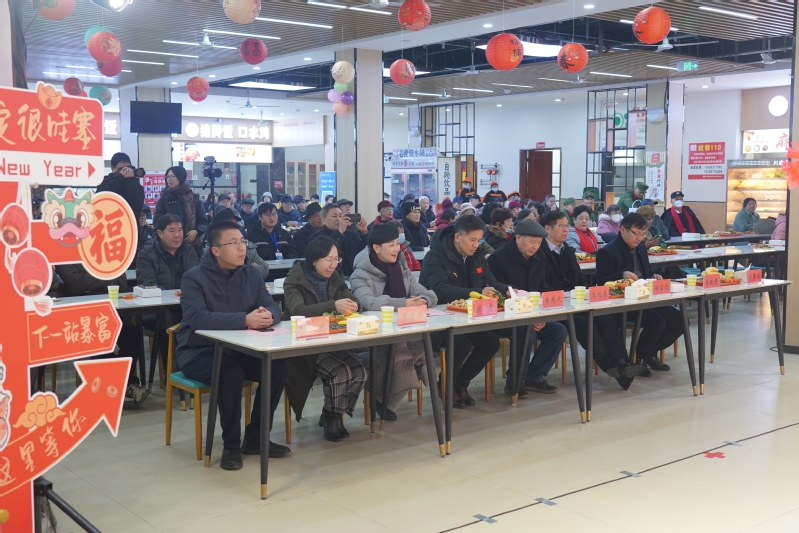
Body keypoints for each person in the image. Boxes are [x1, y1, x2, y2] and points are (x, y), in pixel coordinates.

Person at [177, 221, 289, 469]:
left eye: (243, 242)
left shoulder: (251, 273)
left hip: (241, 349)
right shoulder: (194, 277)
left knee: (276, 367)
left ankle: (256, 438)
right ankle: (231, 445)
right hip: (199, 351)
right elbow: (196, 318)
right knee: (229, 372)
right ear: (215, 250)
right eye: (234, 243)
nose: (242, 248)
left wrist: (267, 316)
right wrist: (245, 320)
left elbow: (272, 306)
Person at [539, 211, 644, 389]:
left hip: (575, 302)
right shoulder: (539, 251)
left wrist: (582, 292)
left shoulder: (566, 250)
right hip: (554, 306)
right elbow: (541, 284)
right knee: (584, 325)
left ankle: (622, 363)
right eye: (561, 226)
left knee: (606, 319)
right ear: (547, 228)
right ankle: (612, 367)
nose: (566, 230)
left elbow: (579, 278)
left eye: (567, 226)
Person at [420, 215, 509, 408]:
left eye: (479, 240)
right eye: (472, 240)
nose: (476, 245)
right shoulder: (435, 257)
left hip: (467, 318)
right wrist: (477, 292)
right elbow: (440, 290)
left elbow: (490, 281)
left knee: (490, 343)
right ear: (457, 236)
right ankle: (446, 386)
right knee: (460, 343)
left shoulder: (477, 256)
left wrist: (507, 290)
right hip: (437, 320)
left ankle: (459, 383)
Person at [283, 237, 366, 442]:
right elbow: (298, 311)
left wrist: (355, 305)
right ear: (314, 260)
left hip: (334, 340)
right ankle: (333, 419)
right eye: (328, 259)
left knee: (360, 371)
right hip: (305, 345)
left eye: (336, 259)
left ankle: (330, 413)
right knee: (340, 372)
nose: (333, 265)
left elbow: (352, 299)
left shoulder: (336, 277)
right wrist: (333, 305)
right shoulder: (295, 279)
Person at [350, 224, 437, 419]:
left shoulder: (402, 267)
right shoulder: (360, 274)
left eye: (398, 244)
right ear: (376, 248)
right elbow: (369, 302)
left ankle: (386, 403)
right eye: (391, 245)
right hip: (374, 336)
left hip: (404, 331)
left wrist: (424, 300)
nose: (396, 249)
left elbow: (426, 293)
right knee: (402, 353)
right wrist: (403, 303)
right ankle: (384, 403)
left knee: (422, 350)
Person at [487, 219, 567, 396]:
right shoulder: (498, 258)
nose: (535, 247)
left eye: (538, 243)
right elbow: (497, 293)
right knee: (526, 332)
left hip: (531, 313)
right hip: (506, 315)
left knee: (558, 331)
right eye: (532, 242)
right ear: (518, 238)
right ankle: (515, 383)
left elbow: (541, 288)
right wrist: (529, 317)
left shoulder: (540, 257)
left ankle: (534, 377)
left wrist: (541, 315)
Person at [596, 214, 683, 375]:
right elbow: (601, 281)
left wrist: (653, 276)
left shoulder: (641, 248)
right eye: (636, 233)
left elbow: (646, 272)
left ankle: (649, 352)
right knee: (656, 322)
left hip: (645, 297)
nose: (639, 238)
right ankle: (639, 359)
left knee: (680, 319)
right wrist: (622, 275)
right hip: (624, 303)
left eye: (643, 234)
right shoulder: (607, 251)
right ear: (623, 229)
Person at [154, 166, 208, 256]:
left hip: (192, 245)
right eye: (168, 177)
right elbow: (157, 223)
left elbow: (203, 221)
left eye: (172, 176)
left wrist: (197, 231)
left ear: (181, 177)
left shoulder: (193, 198)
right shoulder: (164, 199)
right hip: (170, 246)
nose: (169, 179)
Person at [136, 213, 199, 289]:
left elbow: (197, 279)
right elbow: (149, 286)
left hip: (188, 295)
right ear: (160, 233)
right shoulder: (146, 254)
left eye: (180, 230)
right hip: (160, 296)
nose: (177, 235)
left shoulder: (189, 250)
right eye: (172, 231)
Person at [309, 203, 369, 276]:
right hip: (330, 276)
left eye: (341, 216)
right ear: (323, 220)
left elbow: (364, 252)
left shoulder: (352, 234)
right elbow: (324, 252)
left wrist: (364, 232)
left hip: (354, 275)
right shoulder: (315, 237)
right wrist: (339, 232)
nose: (339, 219)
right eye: (334, 216)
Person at [213, 207, 270, 280]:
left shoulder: (246, 245)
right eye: (230, 224)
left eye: (235, 224)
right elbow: (219, 275)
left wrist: (245, 270)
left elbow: (264, 269)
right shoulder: (214, 248)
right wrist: (250, 268)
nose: (234, 227)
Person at [98, 152, 144, 221]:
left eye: (128, 168)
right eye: (122, 169)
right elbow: (103, 199)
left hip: (130, 224)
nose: (126, 171)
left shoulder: (137, 186)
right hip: (110, 222)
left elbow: (136, 207)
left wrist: (130, 181)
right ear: (112, 168)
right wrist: (120, 178)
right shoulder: (104, 182)